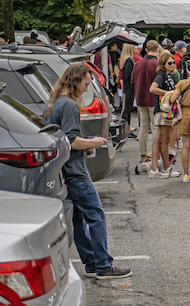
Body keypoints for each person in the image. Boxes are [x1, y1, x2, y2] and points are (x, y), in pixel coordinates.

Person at [46, 64, 131, 279]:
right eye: (85, 84)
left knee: (78, 219)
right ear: (76, 81)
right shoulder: (70, 106)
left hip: (63, 172)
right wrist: (93, 141)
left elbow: (62, 138)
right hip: (76, 171)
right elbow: (71, 141)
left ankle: (92, 263)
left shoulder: (56, 104)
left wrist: (89, 142)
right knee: (96, 215)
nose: (86, 89)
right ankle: (103, 265)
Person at [148, 52, 182, 178]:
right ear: (163, 64)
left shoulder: (169, 76)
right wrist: (168, 92)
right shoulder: (161, 75)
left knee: (159, 139)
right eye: (169, 63)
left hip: (166, 110)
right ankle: (164, 169)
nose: (172, 65)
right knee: (164, 140)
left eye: (173, 62)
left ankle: (155, 168)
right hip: (163, 111)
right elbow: (152, 89)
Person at [132, 40, 160, 164]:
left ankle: (143, 155)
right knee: (155, 127)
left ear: (146, 50)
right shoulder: (157, 64)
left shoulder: (138, 64)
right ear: (157, 50)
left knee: (143, 127)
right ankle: (156, 154)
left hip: (141, 98)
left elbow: (132, 80)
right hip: (154, 99)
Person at [119, 43, 137, 140]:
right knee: (127, 109)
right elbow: (128, 75)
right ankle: (126, 129)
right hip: (130, 87)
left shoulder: (125, 60)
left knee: (127, 109)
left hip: (127, 87)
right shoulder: (129, 60)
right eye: (133, 46)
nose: (135, 48)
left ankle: (126, 129)